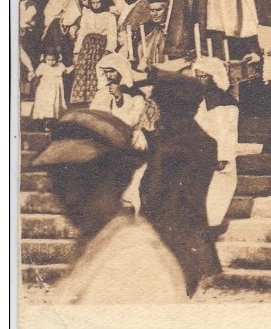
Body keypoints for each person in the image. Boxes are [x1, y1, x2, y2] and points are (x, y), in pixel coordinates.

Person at [30, 110, 187, 303]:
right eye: (61, 183)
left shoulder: (134, 262)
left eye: (84, 182)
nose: (70, 197)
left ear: (119, 179)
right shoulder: (95, 243)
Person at [141, 73, 222, 296]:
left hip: (170, 237)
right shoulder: (203, 141)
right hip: (192, 234)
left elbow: (156, 190)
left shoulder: (172, 147)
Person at [192, 57, 239, 232]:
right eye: (197, 76)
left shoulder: (224, 102)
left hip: (218, 157)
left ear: (214, 77)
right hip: (201, 154)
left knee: (215, 195)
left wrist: (222, 157)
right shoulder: (199, 100)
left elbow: (227, 132)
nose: (199, 81)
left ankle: (212, 226)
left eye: (204, 76)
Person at [70, 0, 117, 106]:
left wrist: (108, 51)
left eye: (98, 2)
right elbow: (82, 33)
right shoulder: (87, 14)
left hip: (100, 47)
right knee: (83, 71)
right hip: (86, 47)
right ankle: (81, 99)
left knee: (96, 72)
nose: (95, 5)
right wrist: (76, 52)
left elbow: (112, 35)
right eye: (93, 3)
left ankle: (95, 100)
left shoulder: (109, 16)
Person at [30, 50, 67, 128]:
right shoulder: (42, 66)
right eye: (49, 60)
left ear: (57, 59)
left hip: (56, 90)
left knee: (54, 103)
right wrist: (32, 76)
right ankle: (43, 122)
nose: (51, 62)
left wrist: (74, 66)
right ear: (45, 59)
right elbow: (36, 75)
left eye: (53, 60)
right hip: (45, 89)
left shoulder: (60, 66)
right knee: (45, 104)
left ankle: (52, 122)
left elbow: (66, 72)